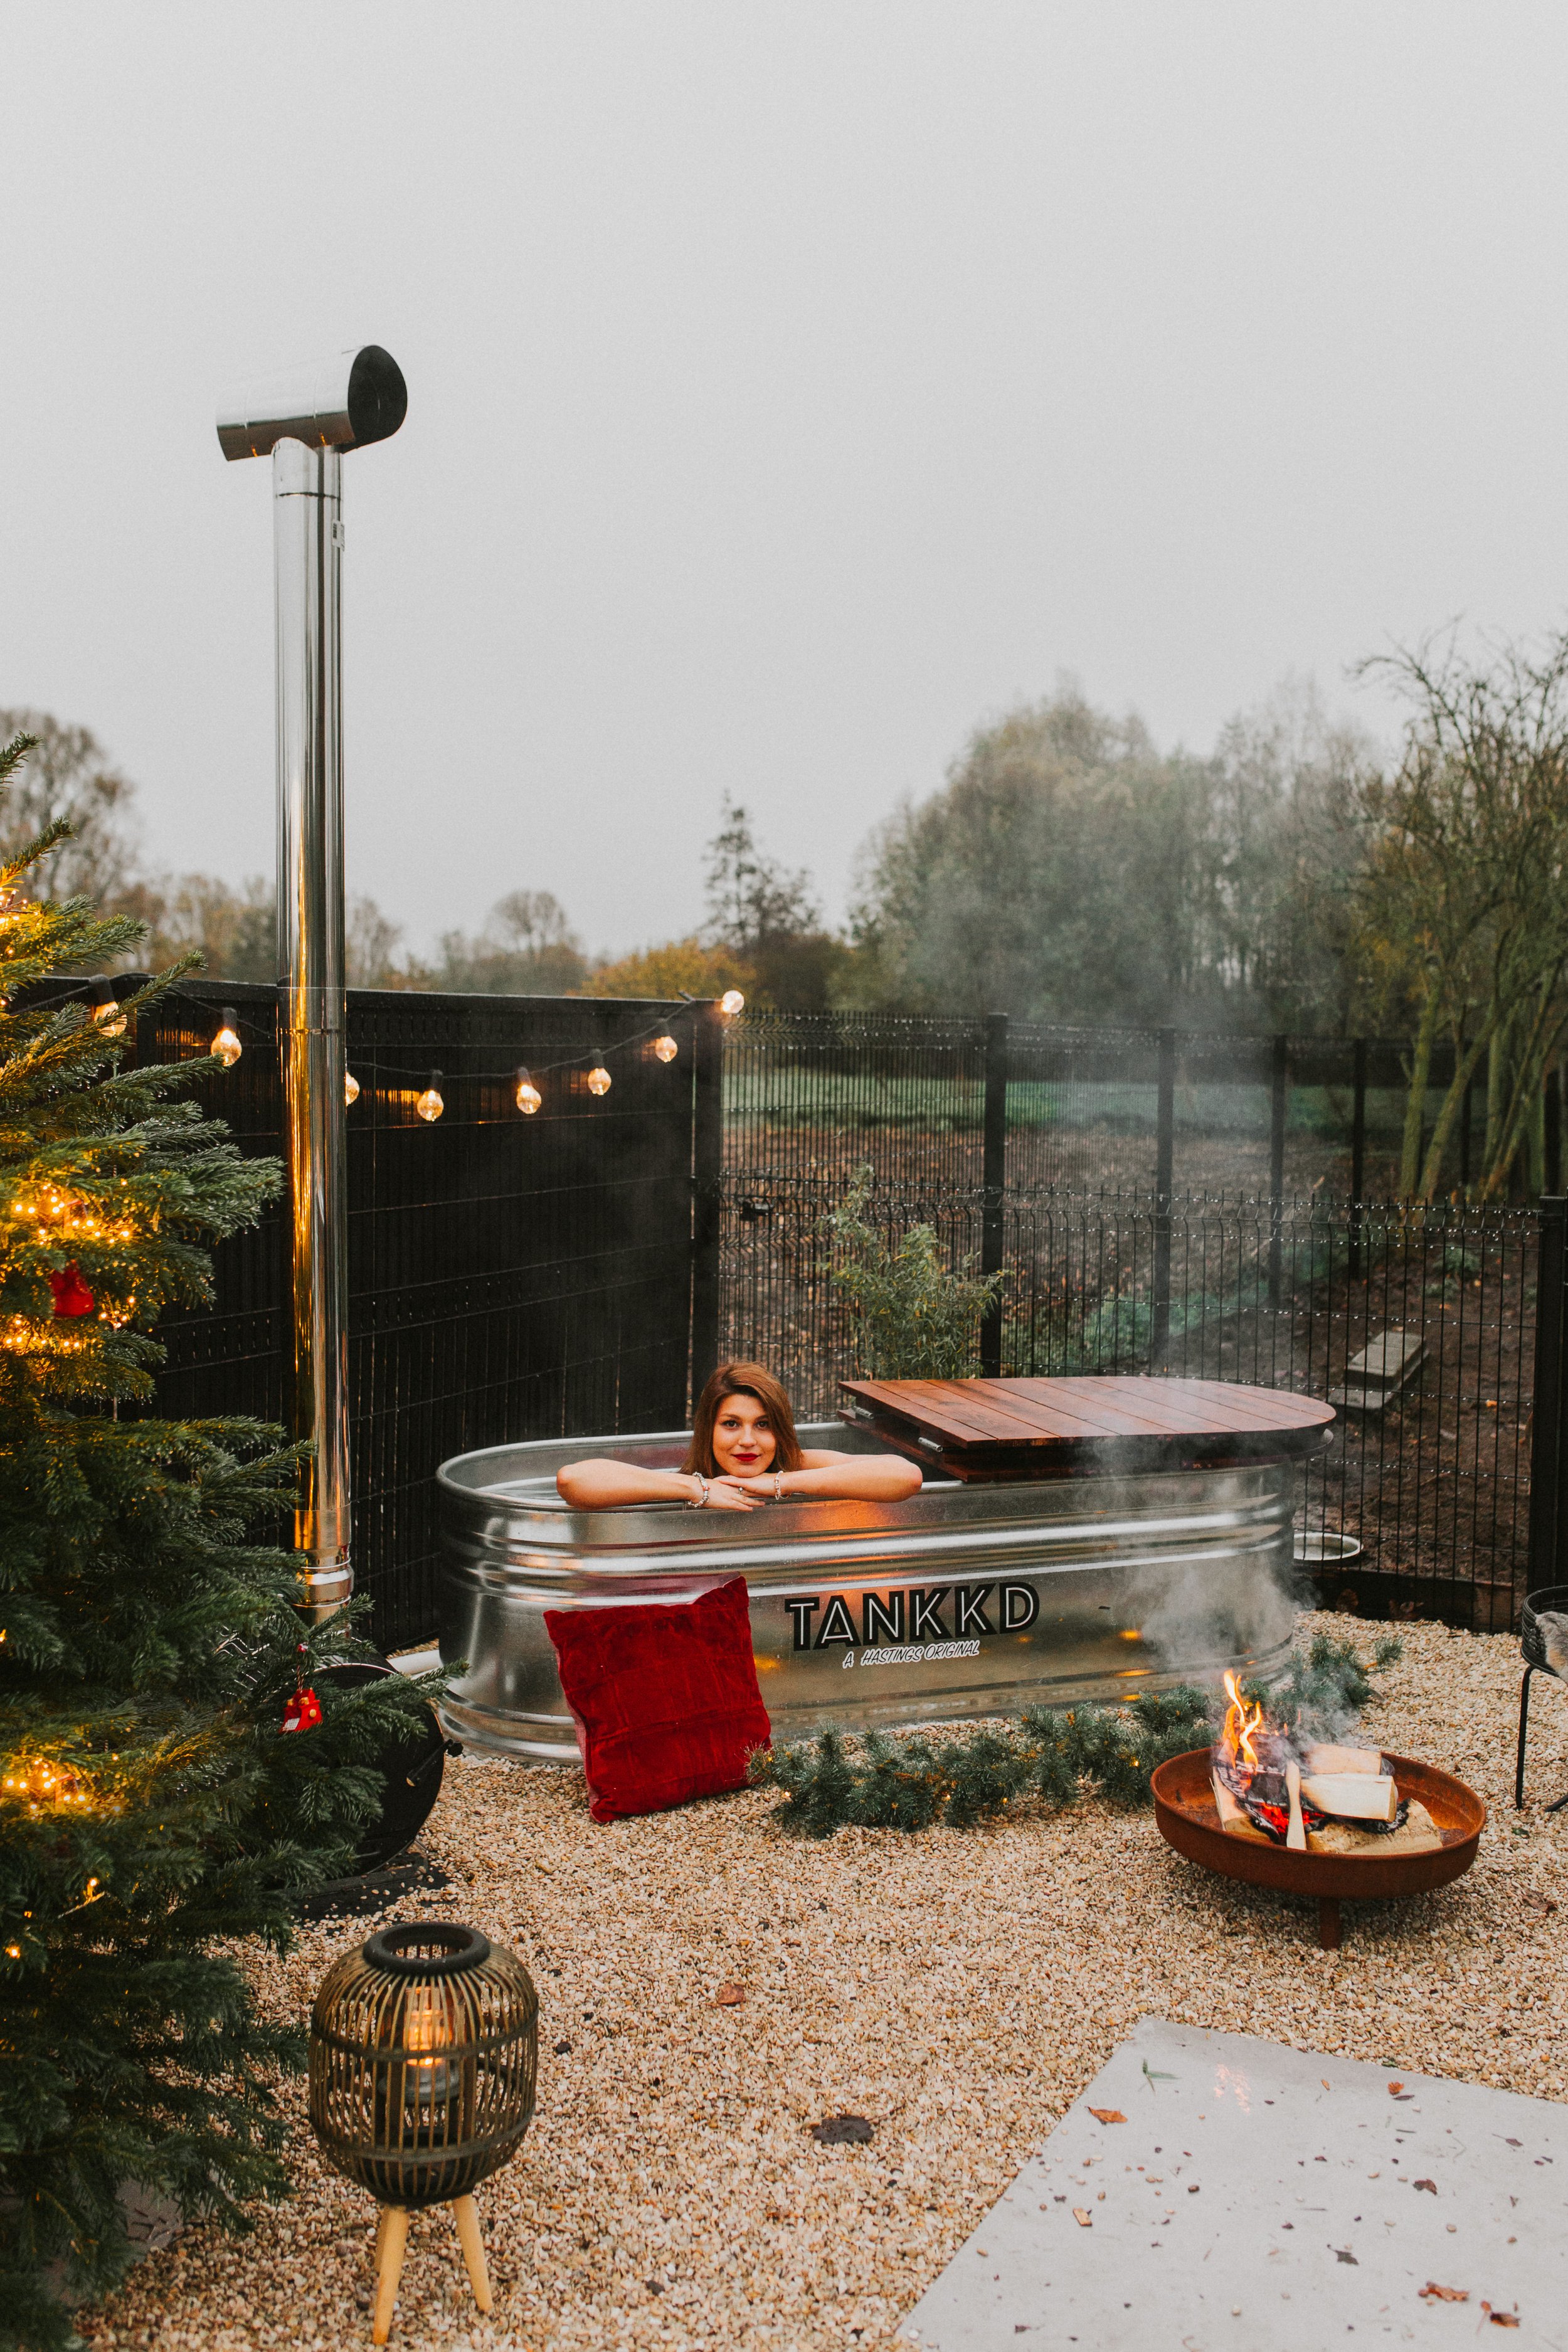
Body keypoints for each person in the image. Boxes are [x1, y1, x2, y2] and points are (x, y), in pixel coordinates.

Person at [555, 1360, 924, 1512]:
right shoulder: (694, 1476)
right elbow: (573, 1480)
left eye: (763, 1425)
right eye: (731, 1424)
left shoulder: (795, 1464)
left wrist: (781, 1483)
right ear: (708, 1429)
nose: (748, 1440)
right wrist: (695, 1490)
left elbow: (905, 1476)